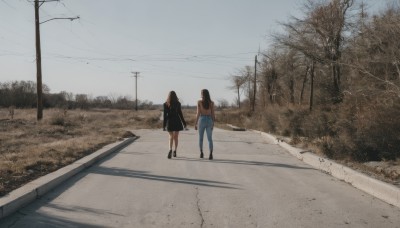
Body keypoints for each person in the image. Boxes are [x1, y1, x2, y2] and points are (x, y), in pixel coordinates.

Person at [163, 91, 187, 159]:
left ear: (168, 96)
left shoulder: (165, 104)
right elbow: (180, 113)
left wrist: (164, 126)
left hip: (169, 121)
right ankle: (175, 151)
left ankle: (170, 149)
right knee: (176, 137)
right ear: (175, 96)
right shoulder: (178, 103)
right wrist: (184, 123)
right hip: (177, 121)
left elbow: (165, 116)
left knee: (170, 136)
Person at [195, 89, 215, 160]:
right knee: (210, 139)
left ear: (202, 94)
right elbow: (213, 113)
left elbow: (198, 113)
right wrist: (213, 123)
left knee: (201, 138)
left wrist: (196, 123)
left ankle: (201, 153)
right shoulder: (212, 103)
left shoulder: (199, 102)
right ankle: (210, 154)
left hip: (202, 119)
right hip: (209, 120)